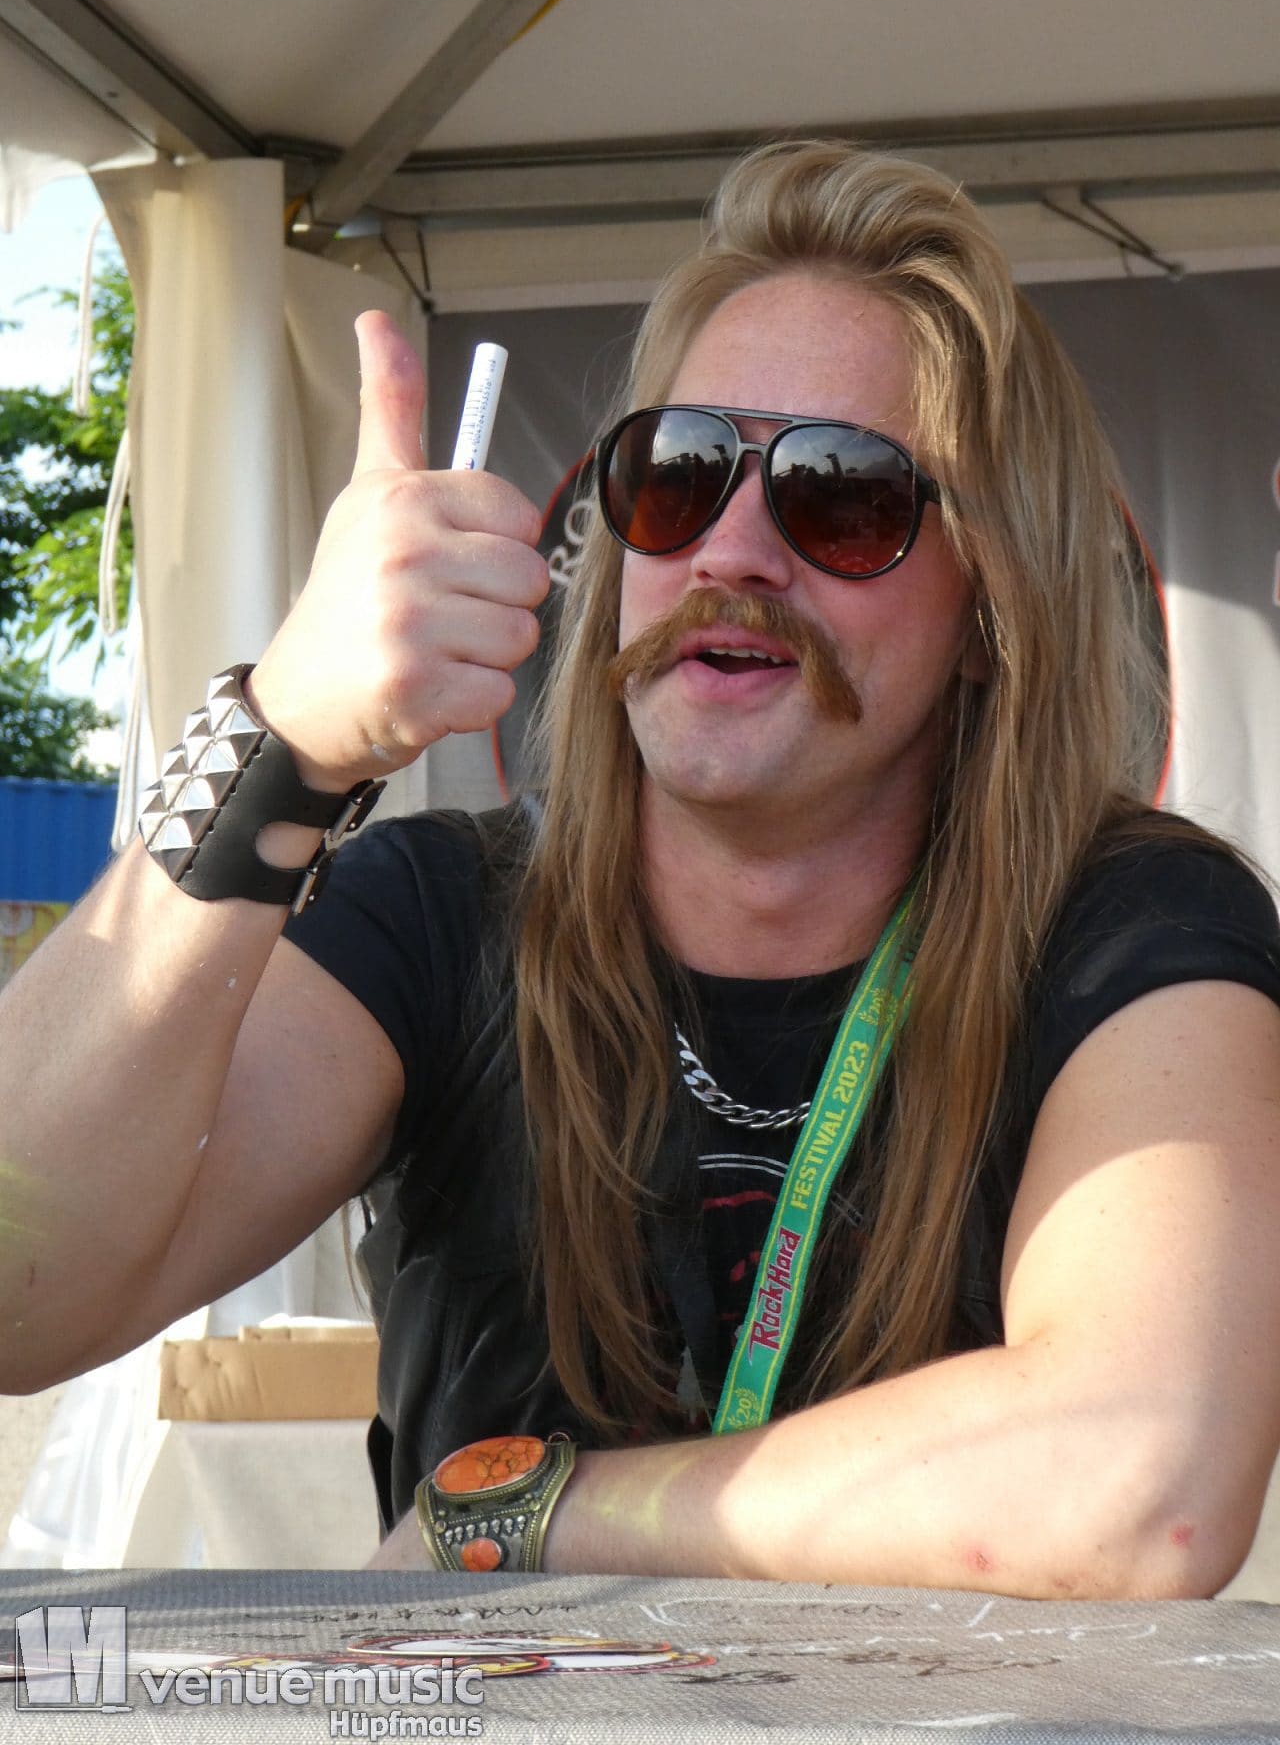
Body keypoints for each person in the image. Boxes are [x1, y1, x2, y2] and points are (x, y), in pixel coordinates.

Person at [1, 141, 1278, 1597]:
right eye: (677, 475)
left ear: (992, 604)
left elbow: (1145, 1473)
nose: (732, 549)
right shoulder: (441, 916)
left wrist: (529, 1516)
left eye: (842, 494)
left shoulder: (1128, 927)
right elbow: (18, 1291)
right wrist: (279, 740)